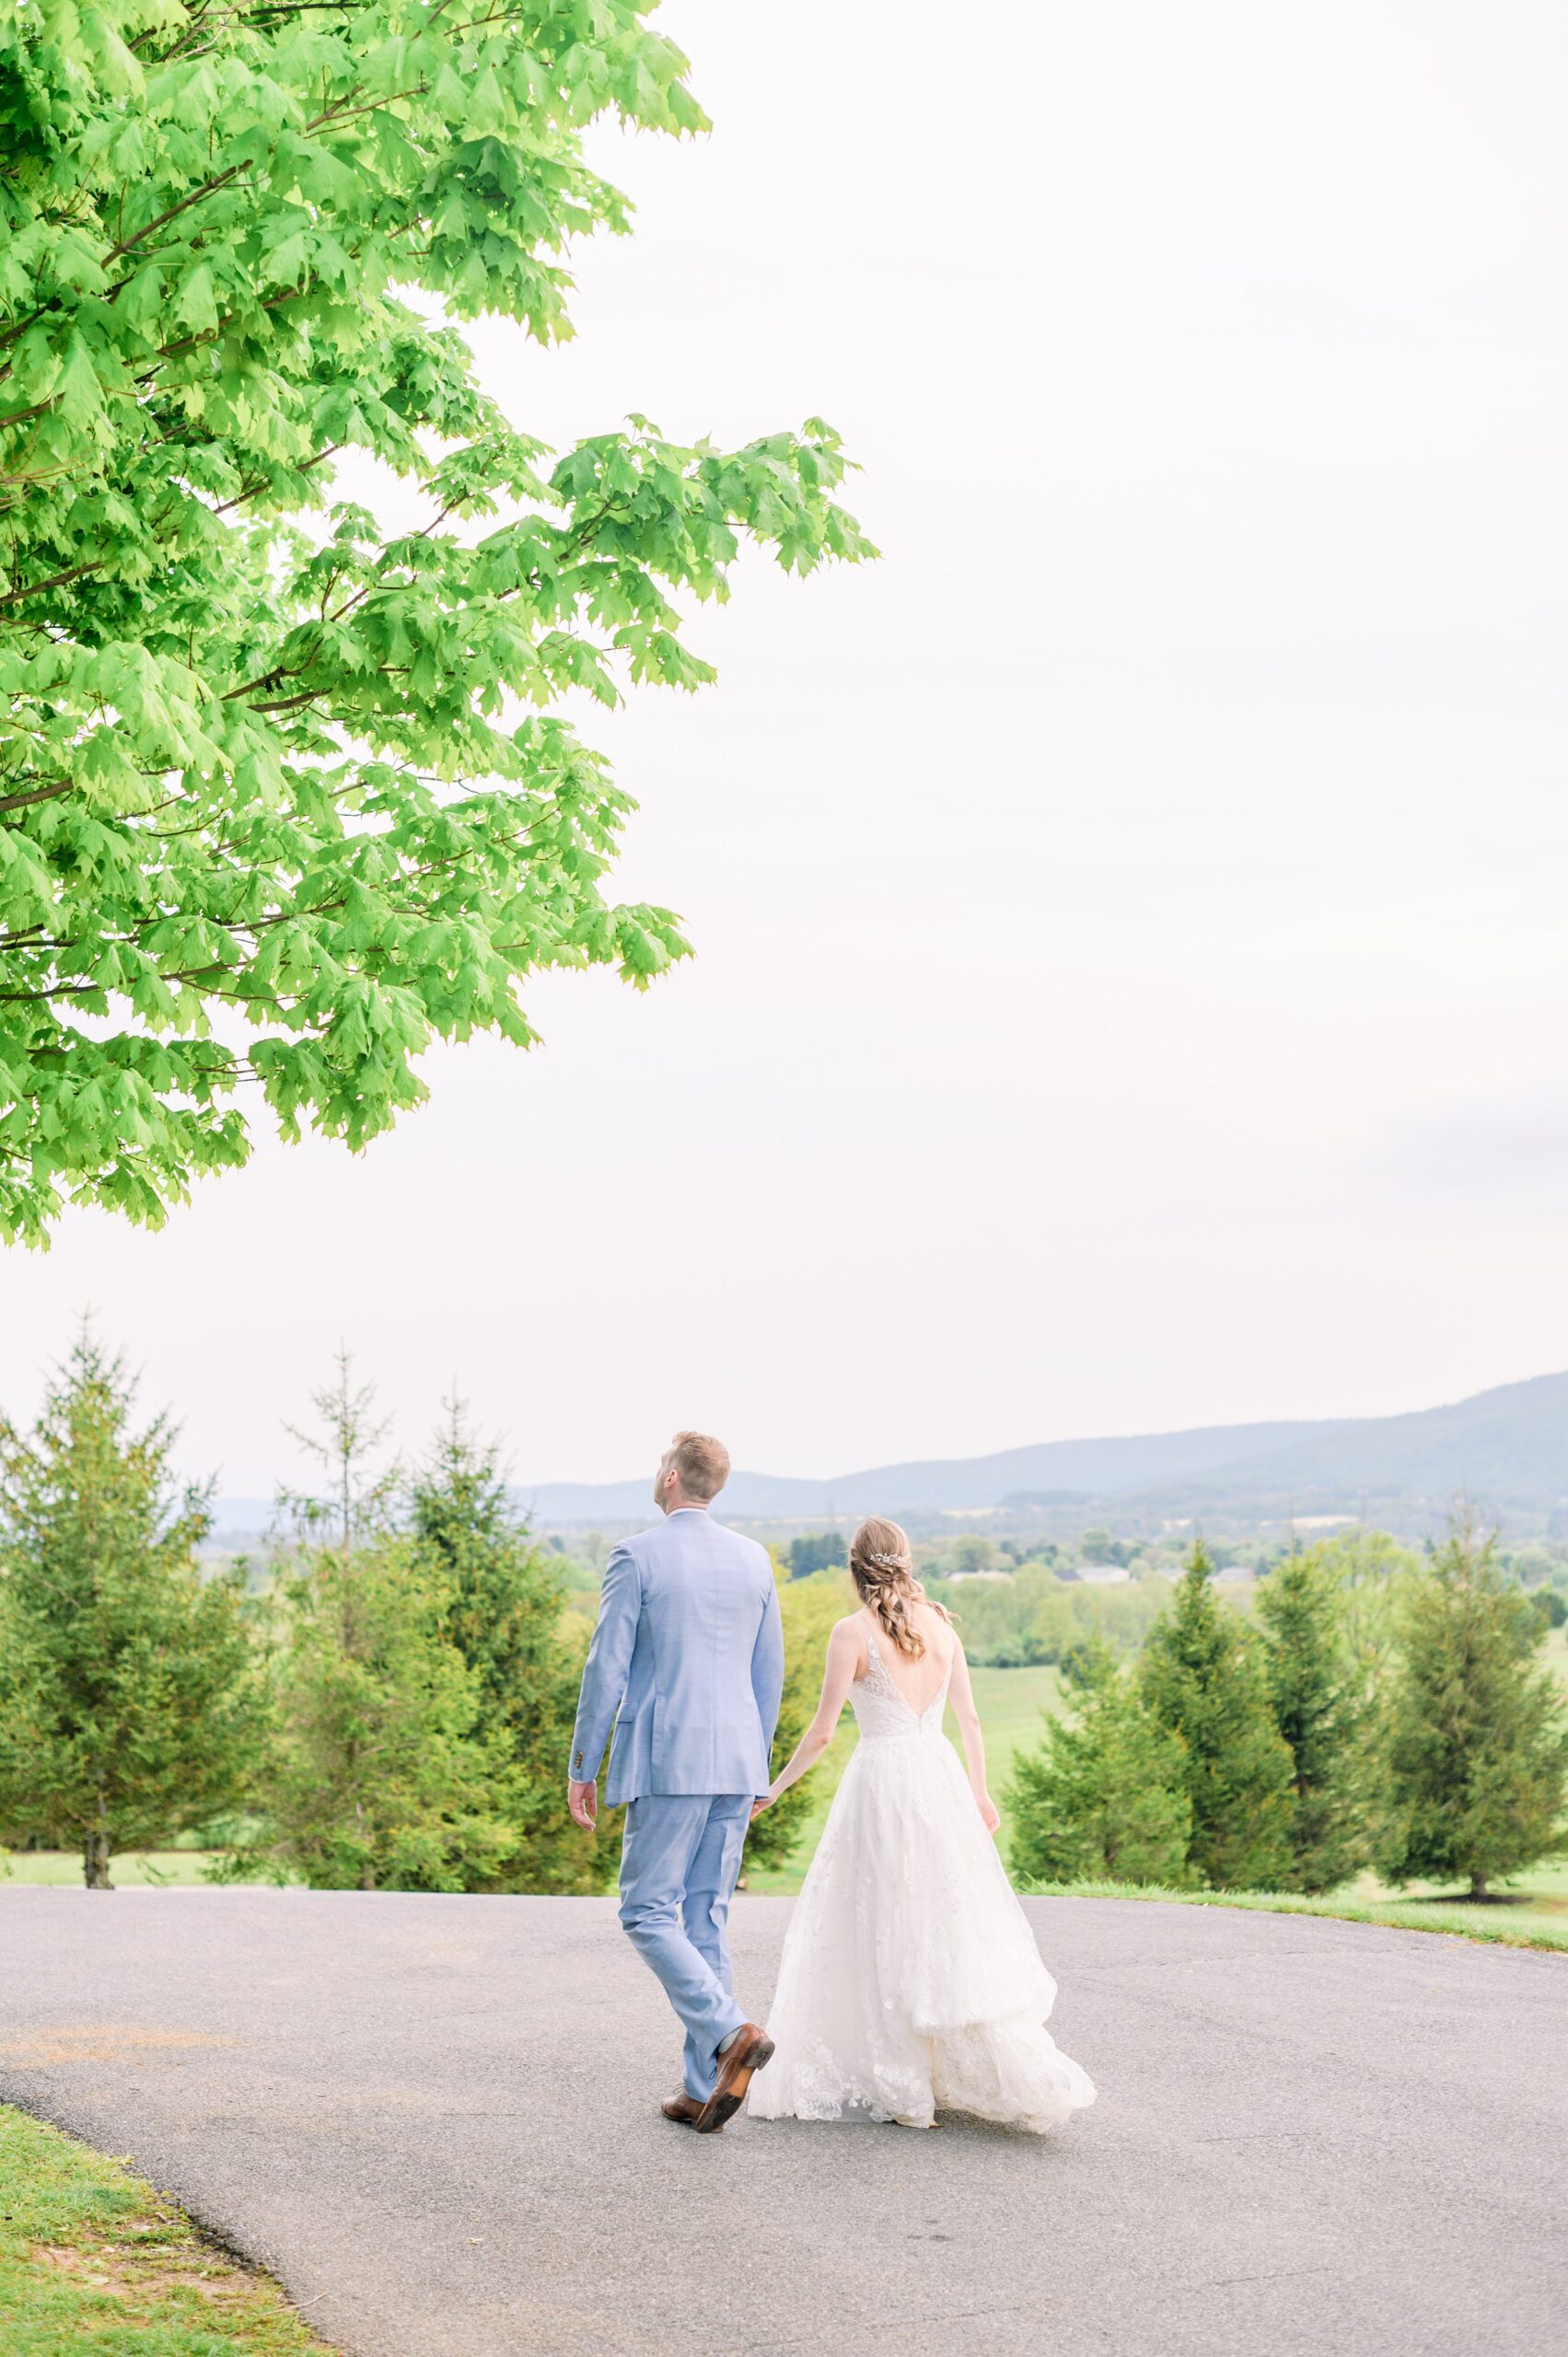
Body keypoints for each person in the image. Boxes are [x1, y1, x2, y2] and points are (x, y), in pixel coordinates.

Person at [748, 1515, 1097, 2133]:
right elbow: (970, 1719)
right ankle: (922, 2073)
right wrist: (979, 1793)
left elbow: (824, 1732)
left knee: (878, 1918)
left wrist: (772, 1789)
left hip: (882, 1781)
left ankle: (903, 2082)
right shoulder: (940, 1626)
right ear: (903, 1563)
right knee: (936, 1917)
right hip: (935, 1779)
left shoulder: (849, 1633)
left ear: (853, 1567)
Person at [567, 1431, 784, 2132]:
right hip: (737, 1760)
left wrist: (583, 1765)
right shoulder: (753, 1559)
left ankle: (729, 2034)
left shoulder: (637, 1555)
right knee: (705, 1916)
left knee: (647, 1911)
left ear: (669, 1477)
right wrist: (759, 1765)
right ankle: (702, 2086)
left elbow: (606, 1669)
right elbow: (767, 1674)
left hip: (668, 1757)